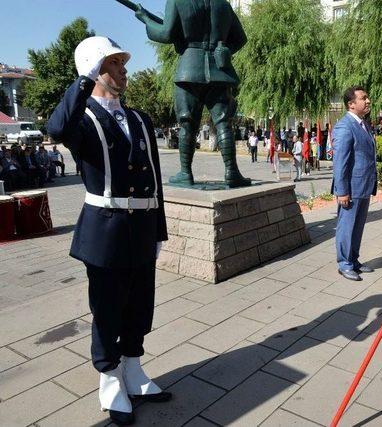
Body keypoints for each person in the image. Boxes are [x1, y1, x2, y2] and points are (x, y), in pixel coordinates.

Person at [47, 36, 171, 426]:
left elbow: (155, 176)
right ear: (95, 67)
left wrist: (159, 231)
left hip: (142, 225)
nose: (124, 70)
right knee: (108, 309)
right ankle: (109, 378)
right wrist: (83, 82)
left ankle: (133, 369)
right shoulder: (82, 120)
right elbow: (56, 126)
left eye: (122, 63)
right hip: (106, 230)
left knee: (140, 305)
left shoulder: (139, 119)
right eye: (114, 63)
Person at [136, 0, 251, 187]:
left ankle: (185, 173)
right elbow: (240, 38)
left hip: (190, 70)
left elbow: (166, 34)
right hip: (219, 71)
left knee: (187, 123)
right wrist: (226, 51)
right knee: (223, 123)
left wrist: (145, 19)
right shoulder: (223, 5)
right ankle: (231, 172)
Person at [332, 86, 377, 281]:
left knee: (357, 227)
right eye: (363, 98)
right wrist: (342, 191)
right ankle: (344, 264)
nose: (367, 101)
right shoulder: (344, 126)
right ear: (351, 104)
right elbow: (340, 161)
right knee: (346, 226)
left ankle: (354, 260)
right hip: (350, 188)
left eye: (367, 98)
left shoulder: (363, 125)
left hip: (363, 186)